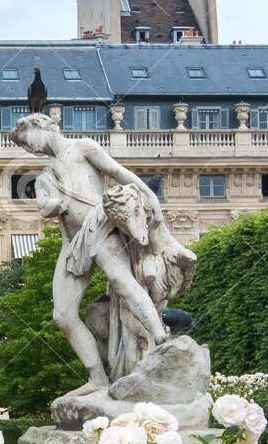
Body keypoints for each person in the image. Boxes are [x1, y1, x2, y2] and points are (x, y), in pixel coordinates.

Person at [11, 113, 195, 392]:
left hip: (99, 226)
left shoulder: (82, 148)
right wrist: (57, 203)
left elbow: (121, 173)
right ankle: (97, 377)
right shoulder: (44, 177)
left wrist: (151, 197)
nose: (31, 149)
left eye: (29, 141)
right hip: (72, 244)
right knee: (63, 316)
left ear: (44, 126)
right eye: (25, 147)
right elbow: (43, 207)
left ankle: (159, 337)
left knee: (122, 282)